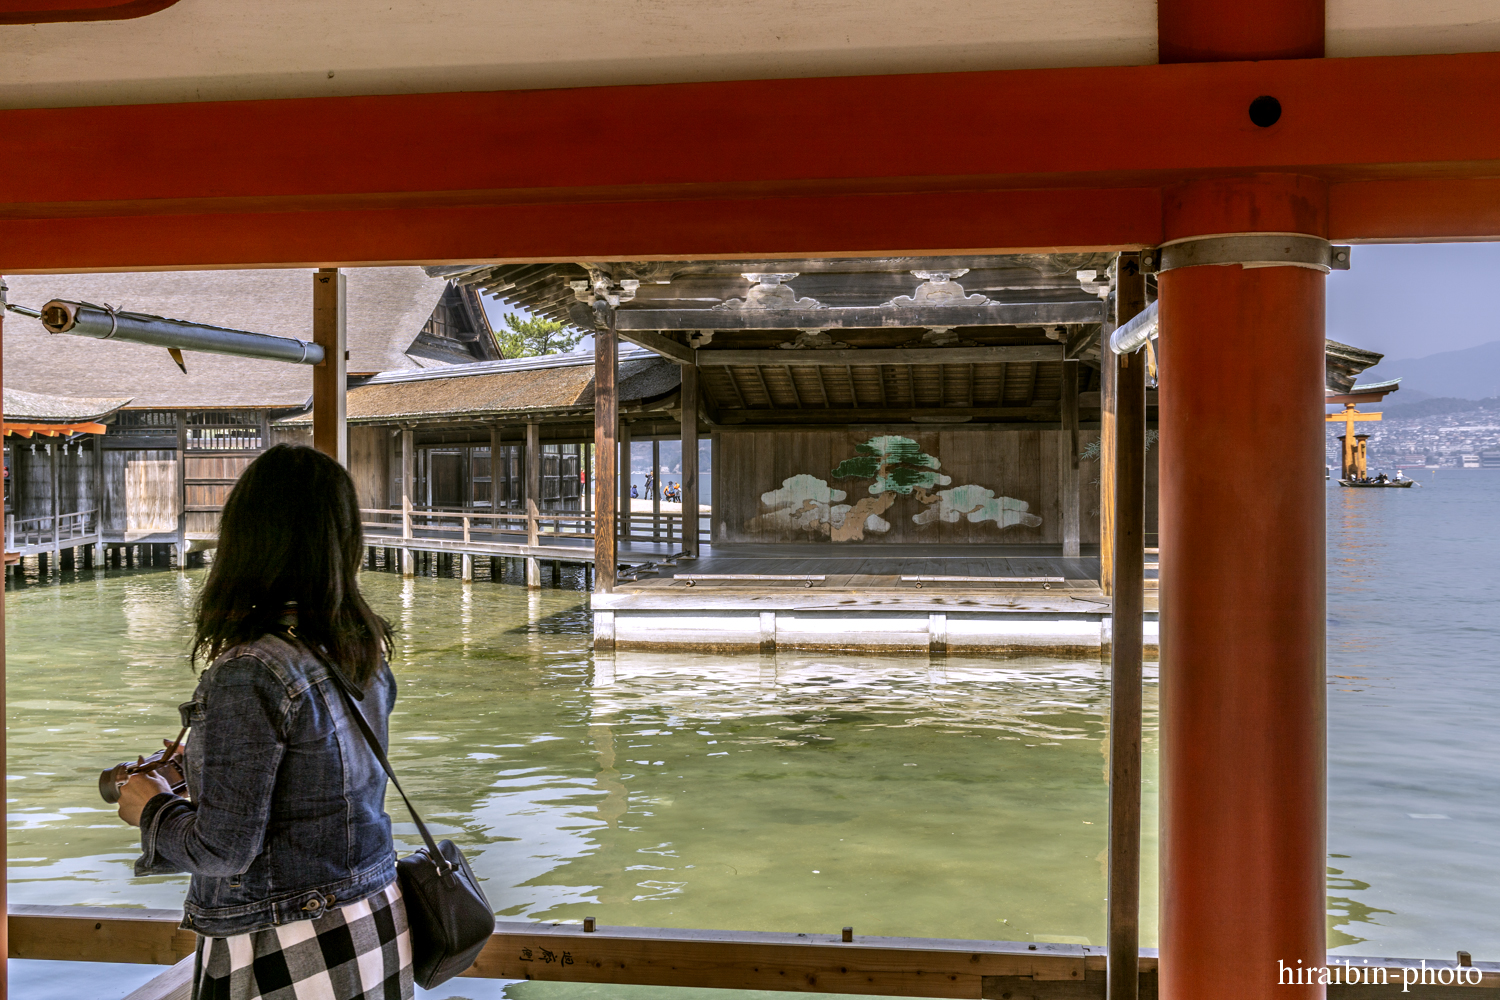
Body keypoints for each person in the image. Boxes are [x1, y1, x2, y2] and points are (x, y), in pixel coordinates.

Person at [116, 445, 411, 1000]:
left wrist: (150, 808)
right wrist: (199, 770)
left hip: (289, 941)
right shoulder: (358, 649)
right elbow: (323, 783)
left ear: (247, 540)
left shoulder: (249, 671)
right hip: (373, 917)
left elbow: (223, 851)